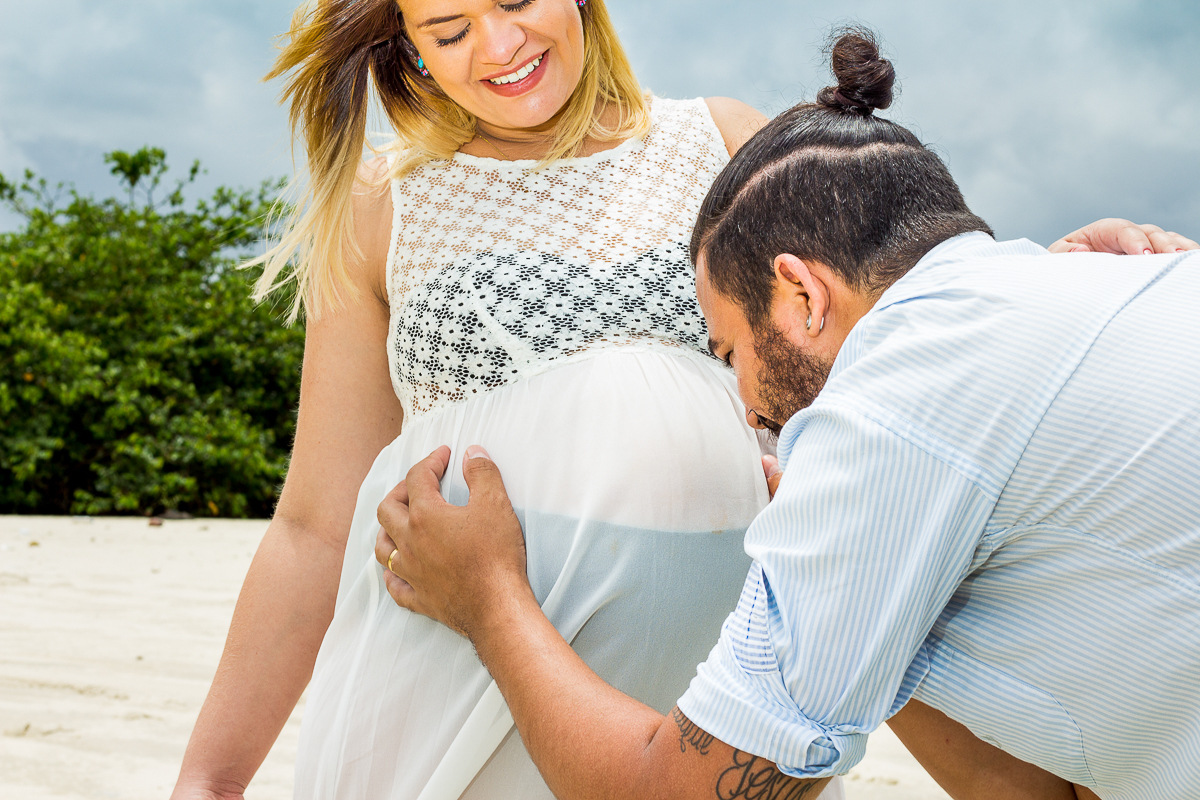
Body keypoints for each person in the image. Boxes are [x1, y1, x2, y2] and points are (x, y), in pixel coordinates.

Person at [169, 3, 1186, 797]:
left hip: (729, 665)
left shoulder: (722, 138)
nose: (499, 41)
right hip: (456, 649)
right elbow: (312, 522)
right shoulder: (381, 207)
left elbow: (893, 283)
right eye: (449, 27)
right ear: (411, 50)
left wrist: (1050, 273)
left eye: (519, 0)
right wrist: (212, 774)